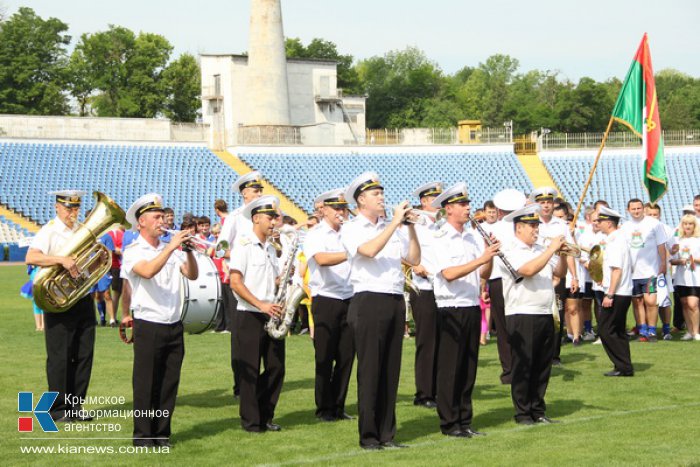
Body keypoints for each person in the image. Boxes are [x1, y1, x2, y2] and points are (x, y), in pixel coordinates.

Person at [340, 172, 420, 450]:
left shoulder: (393, 227)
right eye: (375, 194)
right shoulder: (352, 228)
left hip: (394, 299)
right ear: (361, 200)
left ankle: (388, 434)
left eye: (381, 193)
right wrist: (395, 223)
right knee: (371, 370)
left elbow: (413, 259)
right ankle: (369, 436)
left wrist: (409, 228)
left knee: (390, 370)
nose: (382, 197)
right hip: (368, 300)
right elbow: (369, 251)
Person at [121, 193, 198, 447]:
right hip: (149, 323)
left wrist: (188, 252)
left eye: (162, 217)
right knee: (146, 383)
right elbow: (148, 270)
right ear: (141, 222)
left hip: (173, 323)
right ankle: (143, 436)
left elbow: (192, 274)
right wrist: (171, 246)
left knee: (168, 383)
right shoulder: (134, 251)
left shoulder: (170, 250)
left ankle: (162, 434)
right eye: (155, 217)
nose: (161, 221)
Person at [431, 183, 499, 438]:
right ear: (449, 209)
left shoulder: (472, 235)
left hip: (471, 305)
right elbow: (448, 273)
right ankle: (450, 422)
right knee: (450, 368)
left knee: (468, 367)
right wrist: (481, 258)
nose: (468, 207)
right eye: (462, 204)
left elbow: (484, 274)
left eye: (468, 203)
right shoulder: (439, 237)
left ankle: (464, 420)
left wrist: (489, 255)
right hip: (451, 307)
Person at [26, 190, 95, 422]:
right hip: (58, 300)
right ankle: (57, 410)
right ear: (57, 207)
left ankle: (76, 407)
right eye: (68, 209)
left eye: (75, 208)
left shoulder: (81, 229)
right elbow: (31, 257)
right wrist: (61, 260)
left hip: (82, 297)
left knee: (84, 354)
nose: (72, 213)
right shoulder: (49, 231)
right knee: (60, 356)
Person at [501, 204, 566, 425]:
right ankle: (522, 412)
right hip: (521, 312)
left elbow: (560, 272)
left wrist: (563, 253)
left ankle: (538, 409)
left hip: (544, 310)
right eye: (531, 225)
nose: (535, 229)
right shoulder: (509, 249)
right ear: (518, 227)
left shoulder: (541, 248)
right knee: (524, 364)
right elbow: (527, 271)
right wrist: (550, 250)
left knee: (542, 365)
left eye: (536, 225)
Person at [229, 195, 285, 433]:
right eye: (270, 217)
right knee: (250, 371)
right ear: (256, 218)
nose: (274, 221)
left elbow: (268, 279)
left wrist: (279, 283)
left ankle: (265, 414)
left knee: (277, 368)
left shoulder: (272, 248)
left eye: (275, 217)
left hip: (272, 312)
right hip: (250, 315)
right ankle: (252, 421)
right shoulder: (243, 245)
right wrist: (261, 304)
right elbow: (235, 282)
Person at [304, 188, 355, 422]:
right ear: (323, 210)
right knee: (324, 357)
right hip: (326, 298)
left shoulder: (349, 233)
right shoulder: (315, 234)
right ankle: (324, 408)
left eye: (343, 208)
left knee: (346, 357)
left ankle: (338, 405)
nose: (341, 212)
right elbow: (322, 259)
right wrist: (350, 253)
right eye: (336, 208)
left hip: (349, 297)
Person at [220, 171, 265, 398]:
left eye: (260, 191)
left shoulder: (266, 215)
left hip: (263, 282)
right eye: (255, 191)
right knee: (240, 336)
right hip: (239, 281)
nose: (259, 194)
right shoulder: (235, 217)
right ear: (245, 193)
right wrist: (242, 252)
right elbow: (219, 249)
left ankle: (259, 380)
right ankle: (241, 383)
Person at [480, 188, 526, 384]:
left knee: (502, 328)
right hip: (517, 278)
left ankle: (508, 370)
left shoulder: (493, 229)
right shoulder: (522, 226)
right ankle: (521, 367)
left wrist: (483, 286)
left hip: (498, 280)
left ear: (499, 210)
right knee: (520, 324)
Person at [529, 187, 578, 365]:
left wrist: (574, 276)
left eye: (549, 202)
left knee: (557, 314)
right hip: (538, 273)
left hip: (558, 273)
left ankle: (554, 354)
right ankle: (539, 352)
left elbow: (571, 251)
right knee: (538, 312)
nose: (546, 206)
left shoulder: (561, 225)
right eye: (542, 202)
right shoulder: (532, 223)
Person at [408, 181, 443, 410]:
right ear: (423, 201)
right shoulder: (413, 225)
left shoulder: (441, 226)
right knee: (427, 341)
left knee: (442, 341)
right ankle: (424, 393)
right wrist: (414, 265)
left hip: (443, 288)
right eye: (433, 199)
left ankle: (438, 388)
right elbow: (403, 253)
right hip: (423, 287)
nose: (437, 203)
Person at [595, 206, 634, 376]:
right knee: (617, 331)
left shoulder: (616, 242)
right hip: (621, 292)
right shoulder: (617, 240)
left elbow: (616, 270)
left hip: (617, 293)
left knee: (606, 330)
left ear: (609, 223)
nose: (598, 224)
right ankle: (624, 366)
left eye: (600, 221)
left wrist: (609, 294)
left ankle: (622, 365)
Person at [622, 198, 667, 342]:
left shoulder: (654, 224)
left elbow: (661, 245)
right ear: (628, 210)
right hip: (632, 272)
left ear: (643, 209)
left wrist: (663, 263)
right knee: (637, 302)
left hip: (650, 271)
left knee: (651, 301)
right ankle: (642, 330)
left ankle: (652, 330)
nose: (636, 211)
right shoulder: (625, 227)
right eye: (633, 209)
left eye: (638, 208)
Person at [645, 203, 676, 340]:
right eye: (650, 214)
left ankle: (666, 328)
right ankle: (646, 328)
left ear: (660, 215)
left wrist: (675, 249)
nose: (653, 217)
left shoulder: (666, 229)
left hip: (662, 272)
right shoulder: (641, 229)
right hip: (646, 272)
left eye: (655, 214)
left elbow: (673, 247)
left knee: (664, 300)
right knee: (647, 301)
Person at [670, 214, 700, 340]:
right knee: (684, 303)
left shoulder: (698, 240)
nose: (687, 226)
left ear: (694, 226)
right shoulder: (678, 241)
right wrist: (680, 260)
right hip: (681, 277)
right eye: (685, 224)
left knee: (693, 304)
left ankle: (696, 331)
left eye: (690, 224)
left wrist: (693, 260)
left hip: (695, 277)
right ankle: (689, 331)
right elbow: (672, 260)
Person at [108, 224, 125, 322]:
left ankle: (118, 317)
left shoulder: (124, 233)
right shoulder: (113, 233)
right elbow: (113, 249)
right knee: (117, 293)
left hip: (122, 266)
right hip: (117, 266)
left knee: (122, 293)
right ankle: (113, 317)